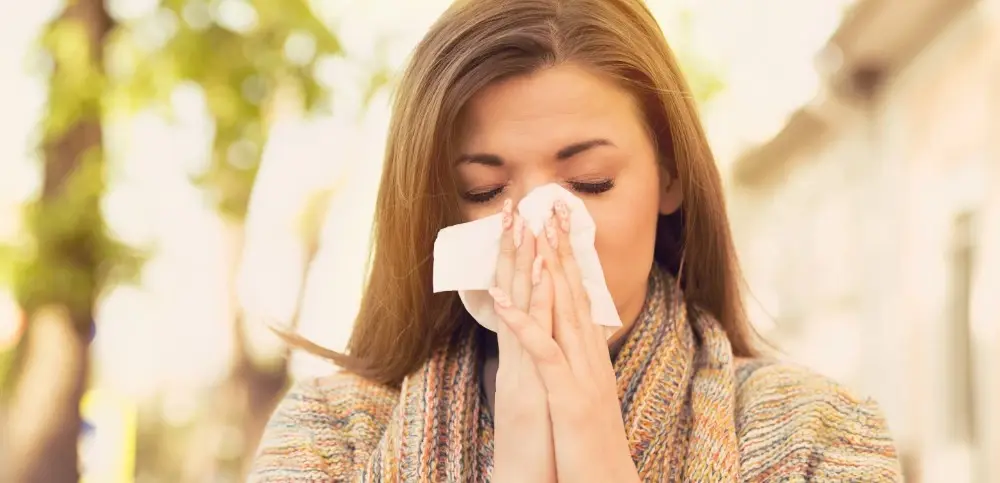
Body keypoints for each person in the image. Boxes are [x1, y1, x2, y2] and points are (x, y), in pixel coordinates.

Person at [248, 0, 902, 481]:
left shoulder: (818, 433)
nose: (538, 229)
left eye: (588, 183)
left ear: (668, 175)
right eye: (483, 191)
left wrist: (598, 451)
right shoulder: (332, 435)